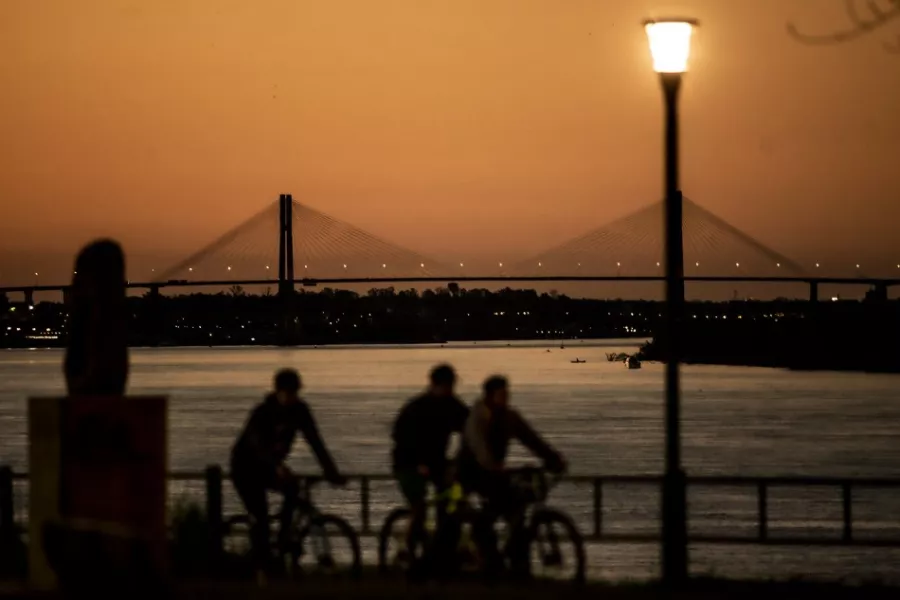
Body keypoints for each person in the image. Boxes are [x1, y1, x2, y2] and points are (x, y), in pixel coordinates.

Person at [230, 369, 346, 577]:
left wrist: (331, 472)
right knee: (260, 514)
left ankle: (284, 541)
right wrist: (276, 465)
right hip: (245, 467)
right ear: (278, 392)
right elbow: (257, 445)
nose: (292, 397)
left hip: (271, 465)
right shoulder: (262, 413)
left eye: (295, 393)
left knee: (293, 489)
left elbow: (315, 442)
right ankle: (262, 564)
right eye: (288, 393)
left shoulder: (300, 411)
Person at [457, 375, 566, 575]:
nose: (506, 398)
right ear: (489, 396)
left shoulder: (510, 417)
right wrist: (492, 466)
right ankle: (490, 560)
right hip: (471, 472)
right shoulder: (477, 417)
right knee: (488, 516)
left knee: (517, 508)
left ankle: (518, 563)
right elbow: (478, 445)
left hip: (495, 471)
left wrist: (552, 458)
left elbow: (531, 438)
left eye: (507, 394)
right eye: (501, 394)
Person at [390, 364, 469, 567]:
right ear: (435, 385)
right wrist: (418, 463)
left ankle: (444, 549)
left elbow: (469, 429)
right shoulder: (417, 407)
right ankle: (408, 548)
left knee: (452, 498)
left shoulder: (453, 405)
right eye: (446, 386)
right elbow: (400, 437)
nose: (450, 390)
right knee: (420, 507)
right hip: (407, 463)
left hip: (437, 463)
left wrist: (460, 461)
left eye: (452, 385)